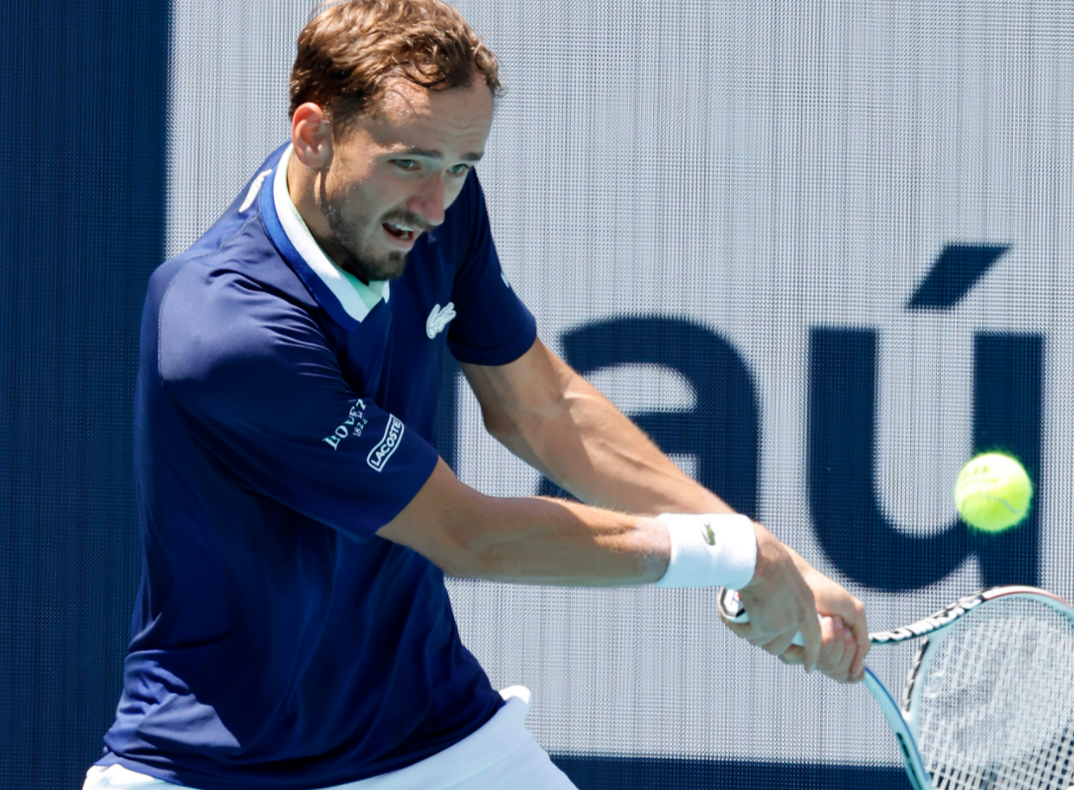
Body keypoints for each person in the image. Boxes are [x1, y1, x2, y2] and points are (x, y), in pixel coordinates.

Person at [86, 1, 869, 788]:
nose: (435, 204)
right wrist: (733, 556)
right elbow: (469, 536)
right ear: (313, 133)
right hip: (211, 770)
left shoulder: (417, 213)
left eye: (462, 167)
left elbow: (541, 408)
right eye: (411, 163)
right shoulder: (227, 332)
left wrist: (762, 555)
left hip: (433, 735)